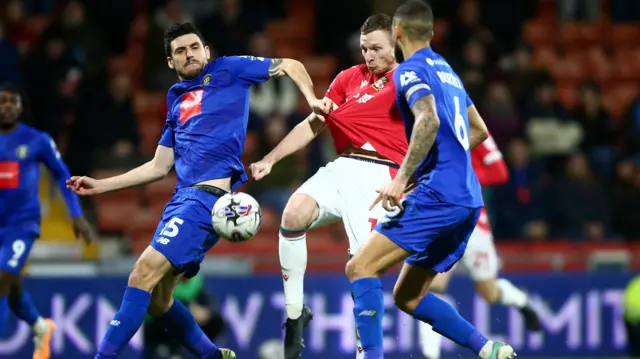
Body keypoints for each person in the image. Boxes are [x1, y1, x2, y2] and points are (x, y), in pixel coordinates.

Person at [66, 22, 326, 359]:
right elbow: (159, 167)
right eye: (180, 51)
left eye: (194, 47)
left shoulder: (230, 69)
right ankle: (211, 354)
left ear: (206, 50)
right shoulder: (175, 100)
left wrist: (312, 99)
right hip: (181, 199)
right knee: (159, 301)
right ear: (170, 62)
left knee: (142, 273)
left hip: (205, 200)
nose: (188, 54)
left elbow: (292, 64)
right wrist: (102, 185)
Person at [345, 1, 516, 358]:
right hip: (467, 198)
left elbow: (428, 120)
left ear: (397, 34)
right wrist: (437, 166)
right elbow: (478, 131)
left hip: (439, 195)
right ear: (432, 33)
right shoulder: (448, 71)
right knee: (408, 296)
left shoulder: (409, 71)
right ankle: (488, 349)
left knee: (360, 266)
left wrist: (401, 178)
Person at [249, 14, 407, 359]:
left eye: (376, 48)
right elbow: (315, 122)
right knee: (292, 214)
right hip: (341, 167)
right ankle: (295, 316)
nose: (369, 56)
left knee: (362, 268)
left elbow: (430, 131)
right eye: (364, 48)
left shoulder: (410, 81)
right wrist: (271, 159)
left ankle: (368, 352)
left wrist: (407, 181)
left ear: (396, 43)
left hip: (381, 175)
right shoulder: (348, 78)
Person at [419, 135, 542, 359]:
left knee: (489, 292)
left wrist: (461, 180)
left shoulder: (473, 129)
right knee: (432, 288)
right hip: (442, 222)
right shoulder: (427, 125)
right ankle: (430, 355)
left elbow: (500, 172)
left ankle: (522, 302)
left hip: (474, 224)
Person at [0, 82, 95, 359]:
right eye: (2, 101)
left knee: (3, 278)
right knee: (12, 286)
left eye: (12, 101)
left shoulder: (36, 139)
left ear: (20, 107)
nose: (6, 106)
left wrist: (76, 215)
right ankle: (41, 326)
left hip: (22, 224)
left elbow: (62, 173)